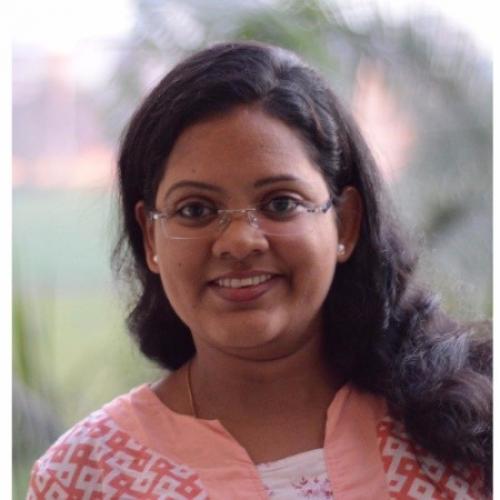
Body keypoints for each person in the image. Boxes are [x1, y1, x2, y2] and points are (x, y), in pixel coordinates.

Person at [27, 41, 491, 499]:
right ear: (151, 238)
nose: (239, 241)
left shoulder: (470, 437)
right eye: (195, 210)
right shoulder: (84, 477)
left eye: (280, 203)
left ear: (346, 223)